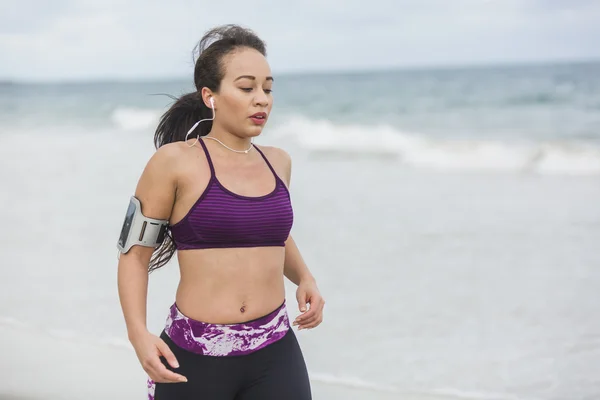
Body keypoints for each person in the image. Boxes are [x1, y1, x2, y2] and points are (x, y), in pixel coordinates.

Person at [116, 25, 324, 400]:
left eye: (268, 88)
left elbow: (268, 232)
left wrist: (304, 277)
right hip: (195, 357)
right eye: (247, 88)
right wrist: (138, 334)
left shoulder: (278, 162)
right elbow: (134, 255)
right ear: (210, 95)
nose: (261, 99)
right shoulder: (174, 162)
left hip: (274, 350)